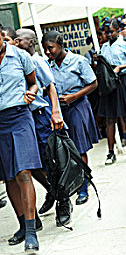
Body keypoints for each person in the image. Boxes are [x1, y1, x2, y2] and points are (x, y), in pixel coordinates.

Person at [14, 29, 71, 226]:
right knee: (33, 164)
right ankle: (53, 191)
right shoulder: (15, 61)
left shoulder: (36, 61)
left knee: (53, 161)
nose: (13, 42)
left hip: (42, 115)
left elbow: (51, 86)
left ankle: (63, 201)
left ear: (30, 43)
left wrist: (56, 112)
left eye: (17, 40)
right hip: (24, 119)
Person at [42, 31, 100, 205]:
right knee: (63, 150)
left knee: (79, 148)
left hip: (77, 106)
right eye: (45, 49)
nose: (47, 52)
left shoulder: (78, 61)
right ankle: (71, 183)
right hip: (59, 110)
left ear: (60, 44)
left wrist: (74, 96)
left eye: (50, 48)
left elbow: (93, 83)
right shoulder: (47, 65)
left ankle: (83, 187)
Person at [0, 26, 41, 252]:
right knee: (9, 176)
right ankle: (22, 224)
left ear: (2, 36)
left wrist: (32, 92)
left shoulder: (20, 56)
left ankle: (32, 231)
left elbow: (33, 82)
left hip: (19, 116)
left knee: (24, 172)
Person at [97, 21, 126, 162]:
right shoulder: (104, 47)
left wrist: (121, 67)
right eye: (107, 32)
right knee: (110, 119)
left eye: (112, 31)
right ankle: (111, 153)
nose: (110, 34)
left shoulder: (125, 45)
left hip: (123, 82)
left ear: (118, 30)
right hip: (109, 84)